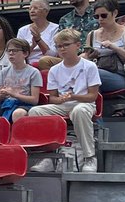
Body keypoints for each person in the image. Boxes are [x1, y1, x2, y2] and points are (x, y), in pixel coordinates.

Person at [27, 28, 101, 173]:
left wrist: (73, 97)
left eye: (66, 45)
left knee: (79, 111)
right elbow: (52, 98)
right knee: (35, 111)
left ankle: (89, 157)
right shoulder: (54, 70)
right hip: (64, 104)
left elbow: (93, 96)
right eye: (59, 46)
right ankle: (48, 156)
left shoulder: (90, 66)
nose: (62, 49)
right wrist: (60, 99)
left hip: (84, 104)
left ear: (77, 45)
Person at [84, 0, 125, 111]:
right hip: (98, 74)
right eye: (96, 16)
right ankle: (91, 114)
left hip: (123, 75)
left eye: (104, 15)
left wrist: (116, 48)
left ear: (115, 13)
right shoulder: (92, 35)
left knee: (91, 73)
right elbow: (86, 58)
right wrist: (88, 56)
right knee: (87, 73)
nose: (100, 19)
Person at [0, 38, 43, 121]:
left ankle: (17, 134)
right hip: (6, 103)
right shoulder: (4, 71)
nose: (11, 53)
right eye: (9, 51)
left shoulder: (33, 72)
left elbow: (34, 100)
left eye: (15, 51)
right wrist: (1, 95)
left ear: (25, 53)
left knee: (17, 113)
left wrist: (14, 94)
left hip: (24, 105)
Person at [17, 0, 59, 66]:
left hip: (48, 65)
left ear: (46, 11)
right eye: (30, 9)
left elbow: (53, 54)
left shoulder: (55, 28)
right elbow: (19, 55)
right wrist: (32, 46)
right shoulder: (22, 30)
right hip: (28, 65)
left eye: (36, 8)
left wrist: (39, 40)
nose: (32, 11)